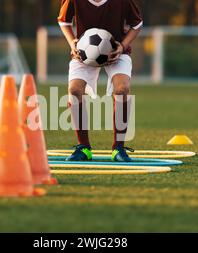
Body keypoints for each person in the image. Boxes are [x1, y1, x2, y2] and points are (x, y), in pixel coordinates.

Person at [58, 0, 143, 162]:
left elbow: (137, 24)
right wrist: (72, 43)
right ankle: (83, 147)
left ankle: (118, 148)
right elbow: (64, 21)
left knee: (122, 89)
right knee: (74, 90)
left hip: (116, 51)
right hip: (84, 52)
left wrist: (122, 46)